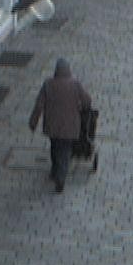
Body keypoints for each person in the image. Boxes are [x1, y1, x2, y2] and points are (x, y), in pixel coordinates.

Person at [28, 58, 94, 194]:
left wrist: (33, 122)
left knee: (55, 147)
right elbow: (87, 101)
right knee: (65, 151)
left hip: (52, 126)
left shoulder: (48, 84)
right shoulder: (75, 85)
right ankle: (61, 178)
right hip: (71, 127)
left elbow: (39, 105)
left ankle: (55, 171)